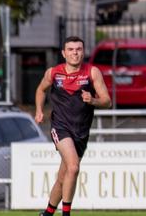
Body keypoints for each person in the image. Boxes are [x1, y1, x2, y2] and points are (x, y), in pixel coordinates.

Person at [35, 36, 112, 216]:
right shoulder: (53, 72)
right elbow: (40, 90)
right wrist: (39, 110)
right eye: (70, 49)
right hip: (60, 127)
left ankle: (47, 213)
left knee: (64, 176)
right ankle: (66, 214)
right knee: (74, 167)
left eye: (78, 49)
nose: (74, 53)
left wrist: (92, 100)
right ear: (63, 53)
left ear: (83, 52)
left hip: (81, 132)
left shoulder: (92, 73)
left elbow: (107, 102)